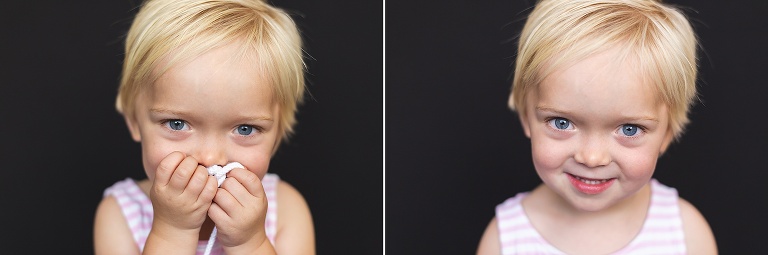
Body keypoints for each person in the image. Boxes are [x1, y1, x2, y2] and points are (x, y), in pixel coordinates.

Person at [476, 0, 717, 254]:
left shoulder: (686, 234)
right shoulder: (505, 240)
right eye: (562, 123)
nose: (592, 158)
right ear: (527, 117)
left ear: (667, 133)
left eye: (629, 129)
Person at [93, 0, 314, 254]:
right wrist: (171, 233)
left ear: (278, 132)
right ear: (134, 119)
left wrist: (250, 243)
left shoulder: (286, 208)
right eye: (177, 124)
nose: (210, 158)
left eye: (245, 129)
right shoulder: (120, 215)